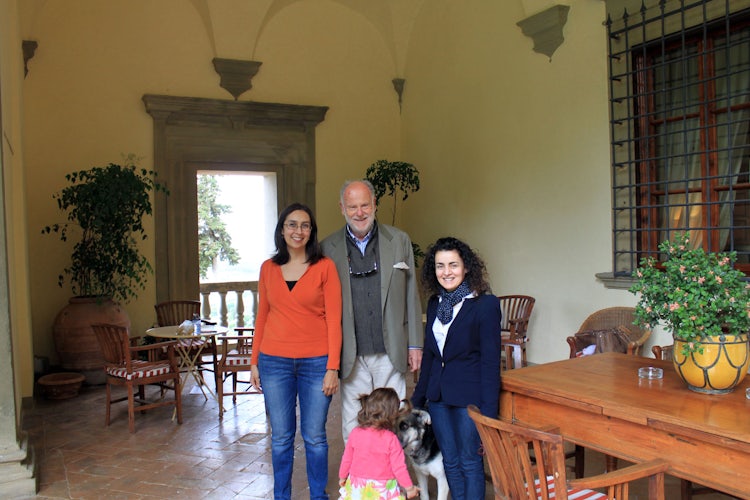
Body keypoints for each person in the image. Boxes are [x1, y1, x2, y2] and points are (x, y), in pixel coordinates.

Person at [249, 203, 342, 500]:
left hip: (316, 363)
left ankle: (318, 496)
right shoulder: (268, 268)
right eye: (292, 224)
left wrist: (332, 367)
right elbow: (261, 316)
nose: (298, 231)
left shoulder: (324, 266)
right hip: (273, 362)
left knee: (314, 437)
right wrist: (254, 363)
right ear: (282, 229)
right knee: (280, 439)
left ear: (311, 231)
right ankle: (282, 496)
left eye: (304, 225)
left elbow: (334, 320)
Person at [321, 179, 423, 441]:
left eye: (365, 205)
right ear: (341, 208)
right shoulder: (327, 248)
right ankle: (355, 480)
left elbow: (411, 295)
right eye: (352, 206)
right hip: (351, 352)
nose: (359, 212)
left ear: (375, 204)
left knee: (394, 421)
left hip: (391, 350)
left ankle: (388, 481)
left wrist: (415, 345)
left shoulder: (399, 240)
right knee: (354, 424)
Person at [411, 236, 501, 500]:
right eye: (440, 266)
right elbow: (430, 355)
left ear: (466, 268)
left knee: (470, 462)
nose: (446, 272)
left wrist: (490, 413)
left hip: (469, 399)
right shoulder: (434, 303)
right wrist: (418, 399)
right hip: (438, 397)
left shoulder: (485, 305)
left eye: (453, 265)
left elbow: (490, 362)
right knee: (450, 460)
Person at [338, 387, 420, 500]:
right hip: (383, 489)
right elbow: (399, 468)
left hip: (357, 486)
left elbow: (347, 458)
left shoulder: (356, 433)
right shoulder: (391, 439)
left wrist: (342, 476)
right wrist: (409, 488)